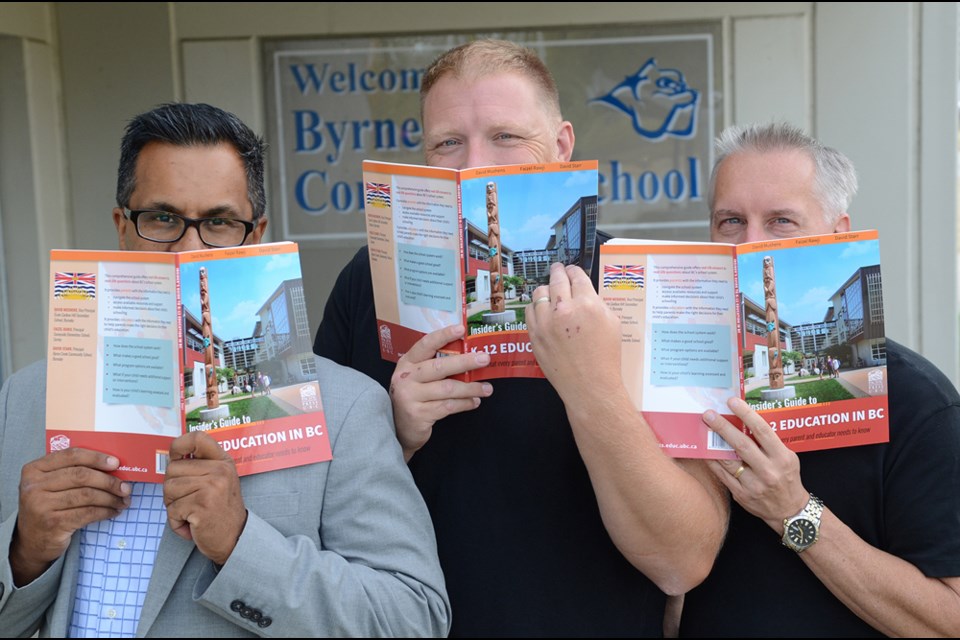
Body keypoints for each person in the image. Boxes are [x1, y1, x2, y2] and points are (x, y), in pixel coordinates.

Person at [314, 39, 728, 637]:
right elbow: (307, 511)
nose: (475, 164)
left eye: (506, 136)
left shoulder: (645, 285)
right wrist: (392, 435)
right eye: (448, 143)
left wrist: (592, 389)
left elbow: (683, 561)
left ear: (561, 146)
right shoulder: (368, 279)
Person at [0, 102, 450, 637]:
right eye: (162, 218)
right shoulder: (28, 396)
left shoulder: (346, 407)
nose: (189, 248)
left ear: (255, 234)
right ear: (123, 228)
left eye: (217, 222)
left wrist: (240, 543)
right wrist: (24, 552)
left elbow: (411, 618)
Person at [677, 122, 960, 637]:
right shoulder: (678, 385)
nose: (752, 243)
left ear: (837, 232)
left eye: (781, 220)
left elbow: (949, 620)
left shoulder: (920, 403)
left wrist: (794, 512)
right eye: (731, 221)